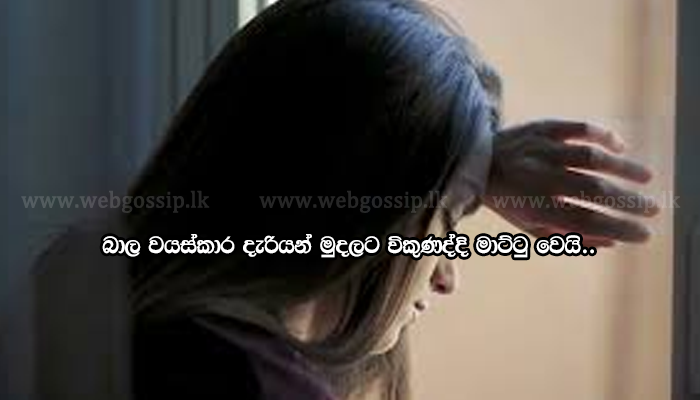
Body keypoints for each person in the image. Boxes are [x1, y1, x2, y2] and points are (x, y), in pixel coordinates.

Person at [122, 0, 659, 399]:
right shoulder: (253, 383)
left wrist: (464, 163)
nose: (447, 275)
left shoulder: (130, 320)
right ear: (360, 198)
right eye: (448, 222)